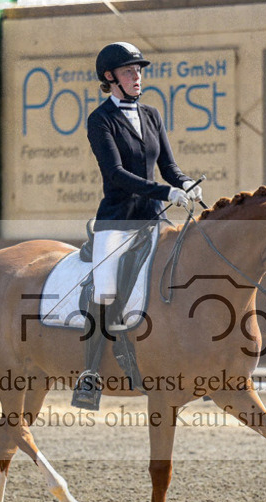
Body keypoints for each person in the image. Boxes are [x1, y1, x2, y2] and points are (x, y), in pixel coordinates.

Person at [71, 41, 203, 410]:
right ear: (110, 78)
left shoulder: (152, 115)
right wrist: (166, 190)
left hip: (154, 220)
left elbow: (169, 168)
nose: (137, 76)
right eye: (129, 71)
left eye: (139, 71)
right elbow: (116, 174)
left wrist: (185, 183)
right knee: (106, 289)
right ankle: (90, 374)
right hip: (118, 220)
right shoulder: (100, 120)